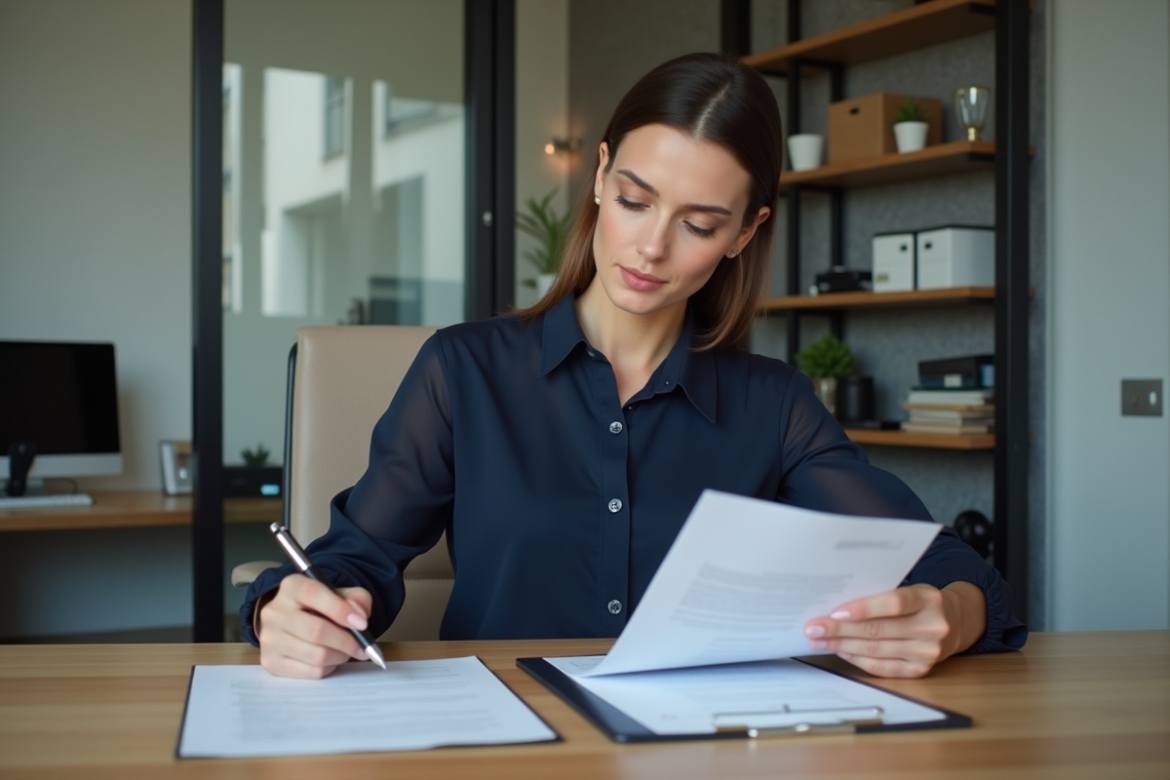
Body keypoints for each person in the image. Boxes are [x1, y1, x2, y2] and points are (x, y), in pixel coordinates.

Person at [242, 52, 1026, 680]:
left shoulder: (775, 406)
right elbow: (357, 559)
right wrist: (293, 608)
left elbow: (941, 561)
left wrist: (953, 614)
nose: (651, 248)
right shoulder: (463, 370)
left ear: (744, 233)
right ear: (600, 173)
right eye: (634, 199)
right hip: (503, 743)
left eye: (699, 224)